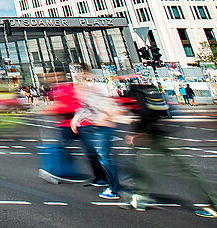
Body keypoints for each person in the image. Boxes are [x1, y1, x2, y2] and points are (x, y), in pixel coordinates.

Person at [125, 79, 217, 216]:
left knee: (144, 163)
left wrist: (136, 134)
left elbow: (144, 117)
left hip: (156, 136)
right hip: (168, 132)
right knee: (185, 168)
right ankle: (140, 195)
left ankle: (140, 196)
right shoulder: (153, 91)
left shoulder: (135, 95)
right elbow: (169, 111)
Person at [72, 72, 125, 200]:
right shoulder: (92, 90)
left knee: (104, 158)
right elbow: (88, 109)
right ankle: (111, 185)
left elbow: (95, 107)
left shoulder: (92, 90)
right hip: (101, 126)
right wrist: (76, 119)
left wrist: (76, 119)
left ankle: (114, 189)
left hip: (103, 126)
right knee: (102, 157)